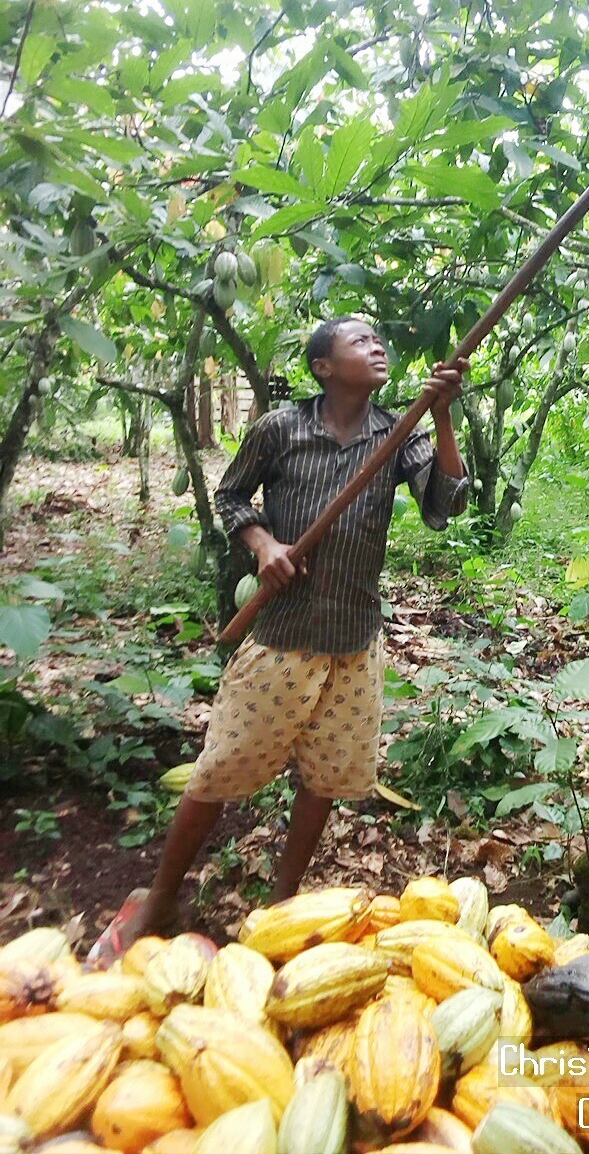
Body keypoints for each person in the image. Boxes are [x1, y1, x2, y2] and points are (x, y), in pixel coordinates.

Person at [86, 316, 469, 965]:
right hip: (284, 636)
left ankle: (281, 906)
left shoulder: (397, 432)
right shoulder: (280, 430)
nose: (377, 347)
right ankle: (157, 901)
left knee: (322, 778)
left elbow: (445, 506)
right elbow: (233, 496)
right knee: (220, 770)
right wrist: (263, 545)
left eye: (380, 341)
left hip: (353, 638)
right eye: (359, 341)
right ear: (324, 366)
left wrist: (443, 418)